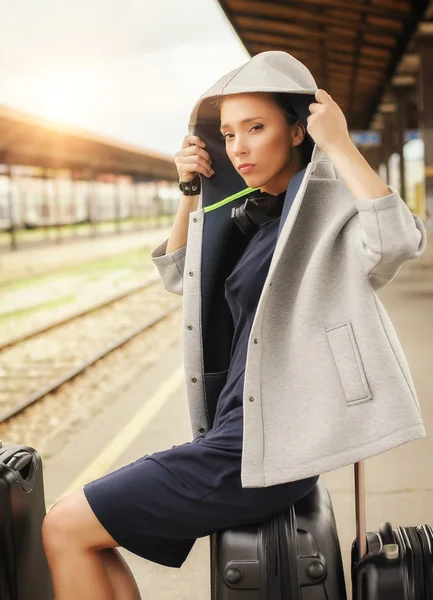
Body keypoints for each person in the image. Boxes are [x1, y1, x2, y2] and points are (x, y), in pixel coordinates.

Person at [41, 51, 427, 599]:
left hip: (261, 449)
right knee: (78, 530)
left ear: (298, 130)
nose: (239, 147)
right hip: (237, 436)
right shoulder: (257, 211)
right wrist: (192, 194)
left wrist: (340, 144)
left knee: (64, 526)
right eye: (227, 133)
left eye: (255, 128)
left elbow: (400, 242)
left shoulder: (332, 207)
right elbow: (180, 276)